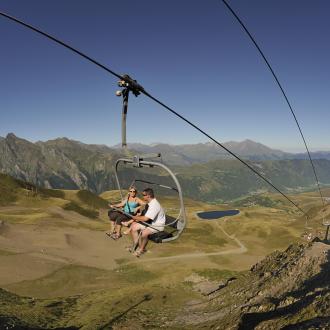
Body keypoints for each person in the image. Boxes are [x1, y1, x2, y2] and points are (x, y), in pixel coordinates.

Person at [128, 187, 166, 257]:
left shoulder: (154, 205)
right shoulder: (150, 203)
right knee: (134, 227)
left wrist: (135, 217)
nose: (142, 196)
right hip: (151, 222)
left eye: (143, 195)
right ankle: (136, 245)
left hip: (157, 225)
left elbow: (145, 219)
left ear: (148, 196)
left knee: (144, 233)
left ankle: (141, 250)